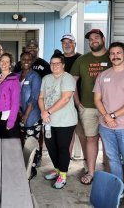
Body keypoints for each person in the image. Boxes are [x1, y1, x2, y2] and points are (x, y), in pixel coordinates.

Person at [93, 42, 124, 208]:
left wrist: (113, 115)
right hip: (106, 127)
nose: (115, 56)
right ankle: (118, 189)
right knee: (113, 160)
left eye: (119, 53)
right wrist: (107, 117)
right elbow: (97, 99)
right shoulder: (103, 75)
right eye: (112, 53)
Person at [70, 29, 111, 185]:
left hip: (109, 109)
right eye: (90, 39)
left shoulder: (112, 56)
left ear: (102, 38)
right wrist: (77, 103)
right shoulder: (82, 60)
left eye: (96, 38)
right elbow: (72, 82)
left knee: (108, 142)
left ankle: (109, 174)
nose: (93, 41)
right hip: (88, 107)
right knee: (91, 139)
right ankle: (91, 172)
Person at [38, 52, 77, 189]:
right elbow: (41, 98)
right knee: (51, 147)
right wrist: (44, 112)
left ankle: (63, 175)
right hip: (48, 120)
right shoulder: (46, 78)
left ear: (63, 65)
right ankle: (57, 169)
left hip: (65, 121)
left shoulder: (67, 78)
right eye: (52, 63)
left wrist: (48, 111)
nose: (55, 66)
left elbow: (65, 99)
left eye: (58, 63)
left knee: (62, 148)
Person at [60, 34, 87, 170]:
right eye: (64, 42)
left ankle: (87, 163)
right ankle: (65, 165)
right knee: (66, 137)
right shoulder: (58, 60)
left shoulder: (82, 59)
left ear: (74, 43)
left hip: (79, 103)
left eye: (69, 42)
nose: (67, 44)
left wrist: (80, 102)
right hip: (62, 105)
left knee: (83, 135)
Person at [19, 51, 42, 179]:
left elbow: (34, 97)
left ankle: (31, 169)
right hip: (20, 115)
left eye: (29, 59)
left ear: (32, 61)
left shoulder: (35, 77)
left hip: (32, 116)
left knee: (31, 143)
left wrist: (26, 115)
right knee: (23, 143)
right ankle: (23, 167)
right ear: (20, 60)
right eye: (23, 59)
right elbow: (15, 96)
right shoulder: (17, 76)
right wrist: (19, 113)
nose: (26, 61)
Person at [0, 52, 20, 138]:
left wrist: (11, 121)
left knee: (9, 147)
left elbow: (15, 103)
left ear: (10, 64)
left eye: (7, 62)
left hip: (8, 117)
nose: (4, 63)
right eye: (2, 61)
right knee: (0, 144)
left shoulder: (14, 80)